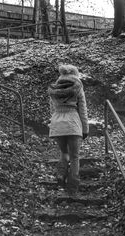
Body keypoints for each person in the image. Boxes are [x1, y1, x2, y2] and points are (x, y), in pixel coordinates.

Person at [48, 64, 89, 195]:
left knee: (64, 153)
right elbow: (82, 109)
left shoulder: (54, 88)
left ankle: (60, 176)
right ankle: (72, 187)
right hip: (73, 122)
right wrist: (85, 129)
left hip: (57, 122)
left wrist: (53, 123)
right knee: (75, 156)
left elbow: (52, 109)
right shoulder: (78, 87)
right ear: (75, 74)